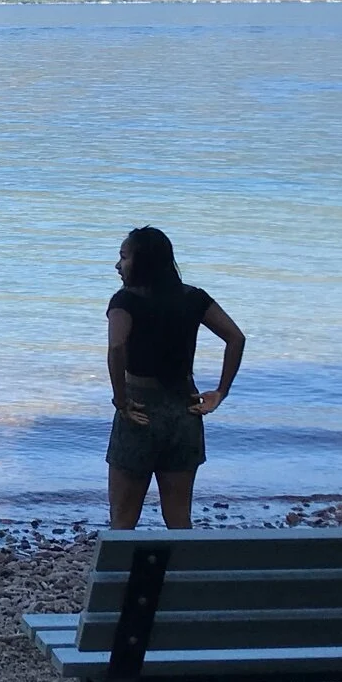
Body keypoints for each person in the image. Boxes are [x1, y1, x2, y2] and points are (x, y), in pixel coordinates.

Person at [106, 226, 245, 530]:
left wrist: (120, 399)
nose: (118, 265)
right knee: (179, 517)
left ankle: (120, 577)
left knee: (123, 518)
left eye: (123, 257)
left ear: (142, 261)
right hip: (184, 412)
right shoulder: (193, 298)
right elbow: (235, 338)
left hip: (139, 411)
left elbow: (116, 346)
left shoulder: (125, 301)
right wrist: (220, 392)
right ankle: (182, 575)